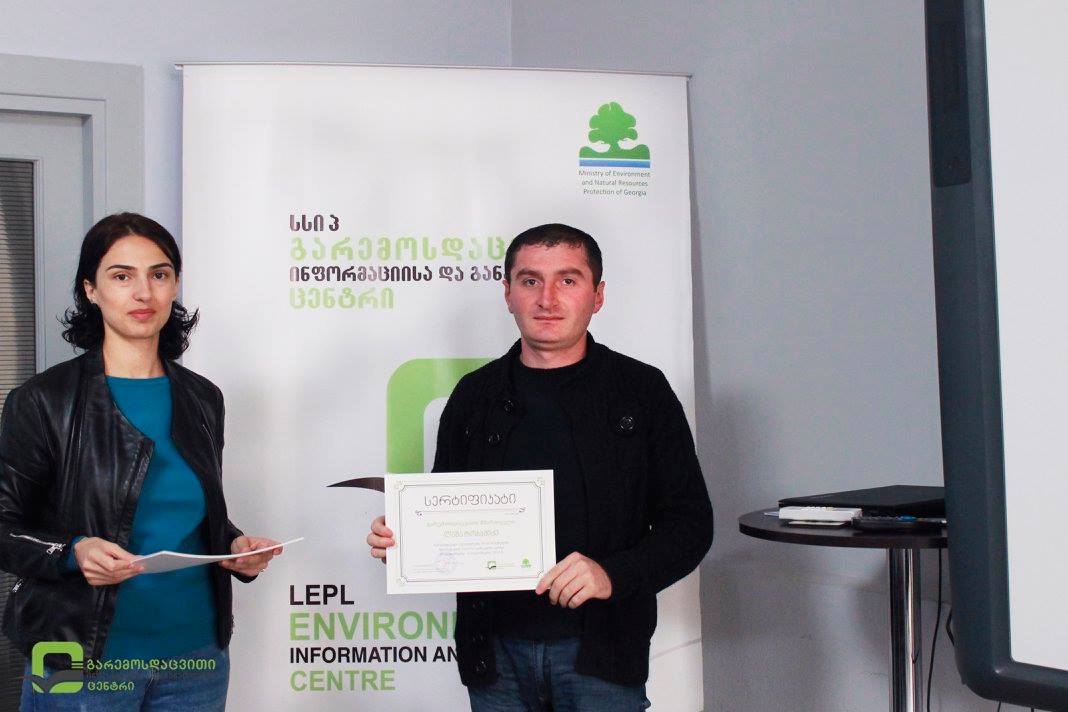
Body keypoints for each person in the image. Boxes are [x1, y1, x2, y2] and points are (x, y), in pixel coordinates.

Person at [367, 223, 714, 710]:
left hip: (603, 655)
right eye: (530, 281)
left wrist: (612, 574)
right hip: (494, 657)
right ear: (508, 294)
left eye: (568, 280)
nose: (547, 299)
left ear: (597, 296)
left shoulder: (641, 391)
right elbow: (445, 512)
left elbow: (691, 524)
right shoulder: (474, 396)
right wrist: (405, 540)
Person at [0, 213, 282, 711]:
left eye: (159, 274)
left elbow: (185, 514)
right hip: (76, 656)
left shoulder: (203, 398)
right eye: (121, 276)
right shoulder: (44, 400)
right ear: (90, 290)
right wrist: (74, 552)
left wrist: (234, 545)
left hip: (196, 658)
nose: (143, 292)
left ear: (174, 286)